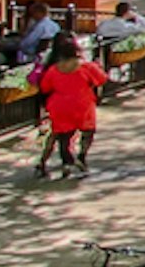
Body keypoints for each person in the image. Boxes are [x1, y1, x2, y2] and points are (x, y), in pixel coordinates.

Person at [31, 33, 106, 177]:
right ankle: (82, 156)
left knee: (63, 136)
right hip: (83, 104)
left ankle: (66, 162)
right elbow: (102, 79)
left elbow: (45, 87)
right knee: (88, 131)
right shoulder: (86, 67)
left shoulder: (53, 69)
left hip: (60, 105)